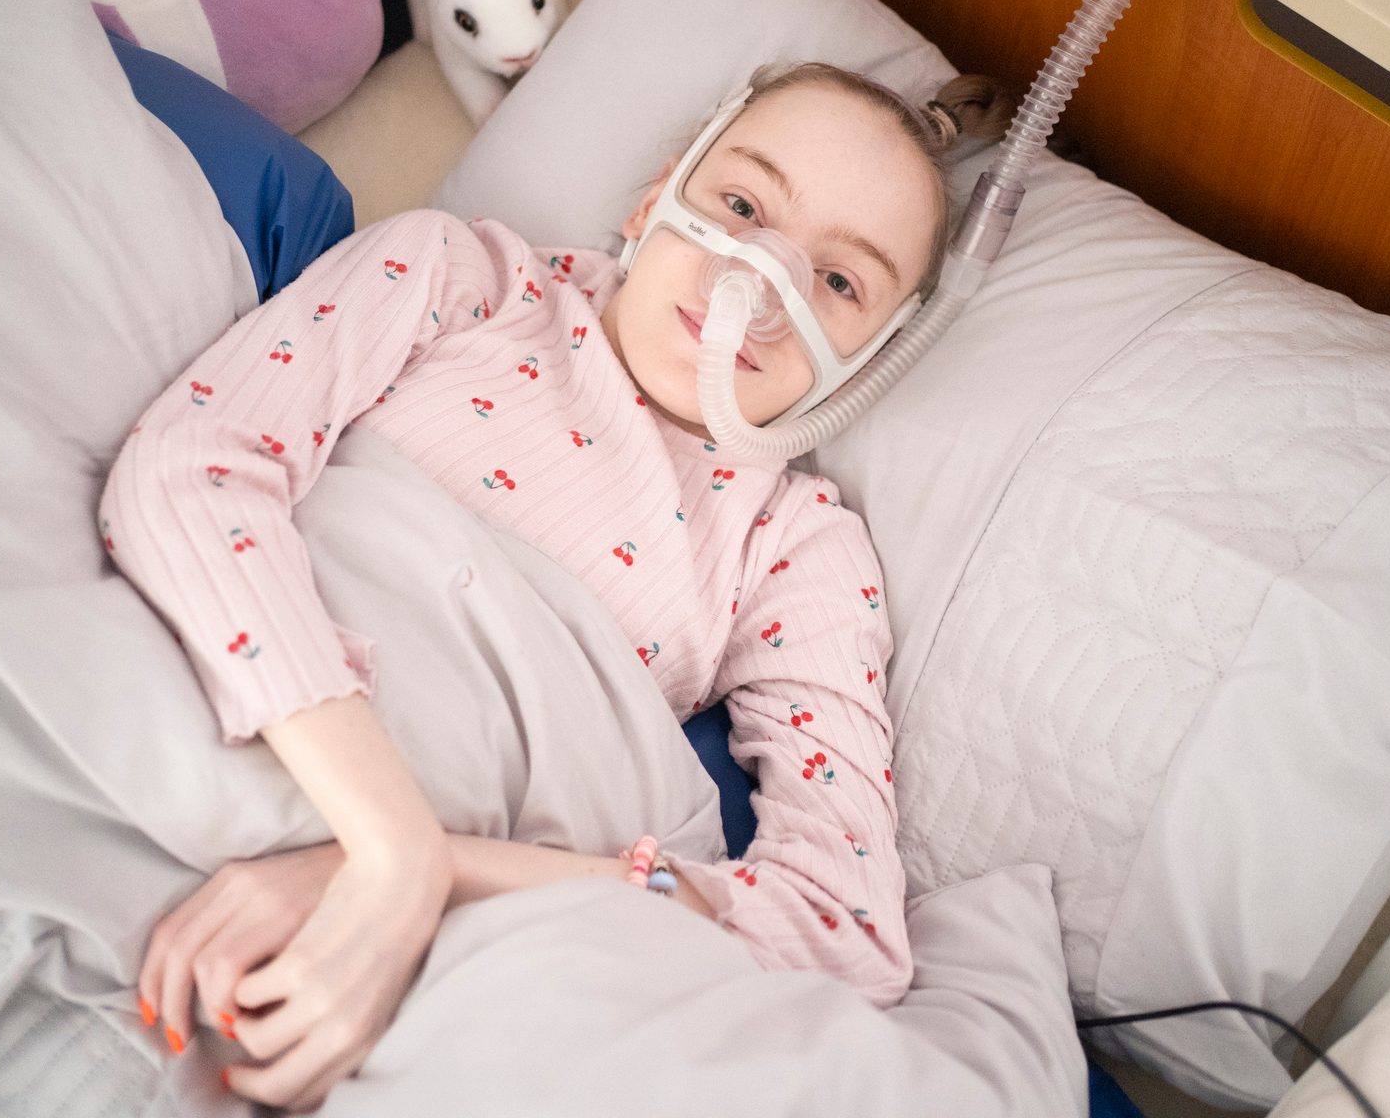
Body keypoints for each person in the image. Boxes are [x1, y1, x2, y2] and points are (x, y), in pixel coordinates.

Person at [97, 59, 1020, 1112]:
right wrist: (388, 843)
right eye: (744, 205)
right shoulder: (455, 278)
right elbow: (186, 473)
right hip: (181, 741)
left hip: (394, 937)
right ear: (658, 192)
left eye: (841, 282)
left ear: (873, 361)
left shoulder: (792, 548)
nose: (761, 282)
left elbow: (840, 931)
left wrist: (427, 870)